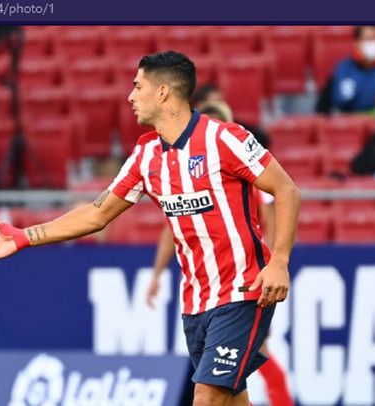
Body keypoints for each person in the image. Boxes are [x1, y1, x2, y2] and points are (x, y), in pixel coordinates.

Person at [0, 51, 301, 406]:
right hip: (196, 302)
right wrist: (25, 237)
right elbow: (95, 215)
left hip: (244, 291)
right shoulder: (146, 156)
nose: (130, 96)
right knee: (233, 400)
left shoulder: (224, 139)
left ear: (163, 92)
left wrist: (279, 261)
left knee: (206, 397)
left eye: (137, 86)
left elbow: (286, 189)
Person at [147, 101, 293, 406]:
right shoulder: (181, 180)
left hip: (244, 285)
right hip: (204, 293)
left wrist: (271, 263)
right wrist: (158, 274)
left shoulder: (247, 175)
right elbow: (169, 229)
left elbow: (275, 211)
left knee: (215, 390)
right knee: (233, 393)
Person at [317, 26, 375, 114]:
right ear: (357, 42)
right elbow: (322, 107)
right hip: (348, 122)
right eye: (370, 39)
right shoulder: (343, 69)